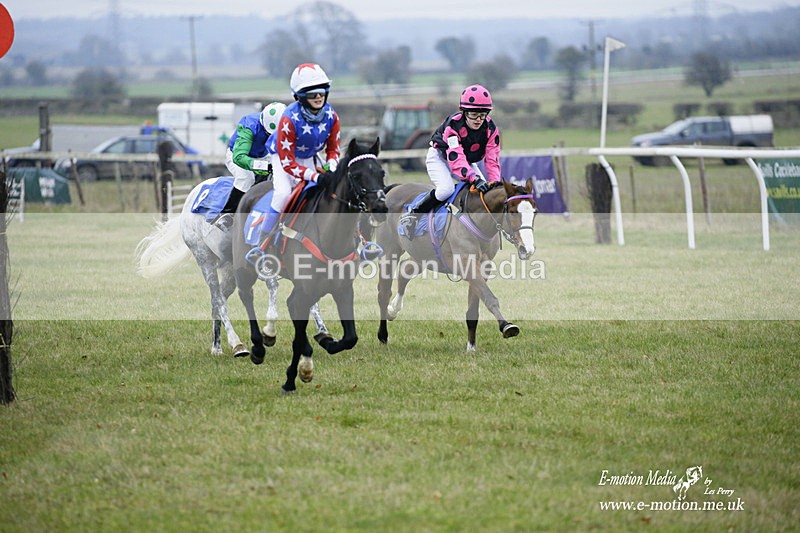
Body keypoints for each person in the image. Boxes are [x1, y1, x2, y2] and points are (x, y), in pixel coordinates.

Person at [399, 84, 501, 239]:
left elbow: (492, 160)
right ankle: (413, 214)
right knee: (446, 190)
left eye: (483, 114)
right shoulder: (453, 125)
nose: (478, 119)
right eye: (474, 114)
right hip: (440, 157)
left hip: (466, 161)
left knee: (485, 191)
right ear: (464, 112)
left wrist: (495, 183)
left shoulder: (491, 128)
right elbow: (456, 159)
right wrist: (474, 178)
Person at [259, 63, 341, 241]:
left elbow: (334, 149)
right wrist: (315, 176)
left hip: (310, 155)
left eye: (322, 91)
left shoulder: (332, 115)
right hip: (283, 157)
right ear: (300, 96)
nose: (319, 96)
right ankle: (262, 240)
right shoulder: (289, 119)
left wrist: (332, 166)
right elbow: (288, 164)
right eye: (312, 93)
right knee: (283, 194)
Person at [216, 101, 287, 225]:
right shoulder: (249, 126)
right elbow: (239, 157)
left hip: (263, 155)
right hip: (236, 156)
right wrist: (263, 166)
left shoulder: (283, 124)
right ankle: (227, 214)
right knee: (246, 178)